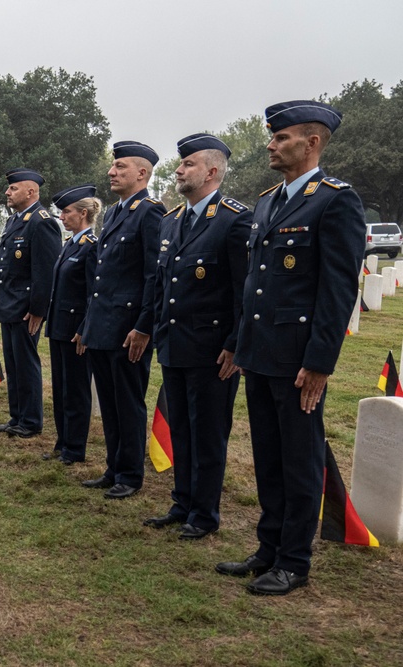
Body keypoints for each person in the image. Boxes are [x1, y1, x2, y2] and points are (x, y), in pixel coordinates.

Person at [217, 101, 365, 595]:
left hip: (299, 359)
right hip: (259, 352)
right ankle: (268, 547)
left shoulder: (335, 200)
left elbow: (338, 290)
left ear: (311, 142)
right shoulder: (267, 201)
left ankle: (294, 561)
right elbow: (254, 286)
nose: (270, 145)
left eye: (281, 138)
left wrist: (320, 362)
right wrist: (239, 343)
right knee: (268, 455)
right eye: (271, 137)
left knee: (300, 460)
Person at [145, 134, 252, 539]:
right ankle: (182, 502)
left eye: (187, 163)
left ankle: (204, 514)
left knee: (207, 432)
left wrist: (234, 344)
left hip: (212, 350)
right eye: (180, 163)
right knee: (182, 428)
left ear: (212, 171)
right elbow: (162, 283)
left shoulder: (235, 218)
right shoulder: (173, 220)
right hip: (174, 343)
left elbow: (245, 289)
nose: (178, 170)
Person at [79, 142, 165, 499]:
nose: (111, 172)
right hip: (103, 325)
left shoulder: (150, 212)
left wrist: (144, 326)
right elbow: (102, 275)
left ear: (142, 174)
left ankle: (130, 474)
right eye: (112, 167)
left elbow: (153, 276)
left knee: (128, 403)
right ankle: (113, 467)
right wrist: (88, 324)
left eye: (120, 167)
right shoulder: (114, 213)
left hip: (129, 328)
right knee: (110, 403)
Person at [0, 168, 61, 438]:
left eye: (13, 188)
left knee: (26, 365)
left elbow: (44, 272)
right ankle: (16, 416)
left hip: (27, 309)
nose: (7, 192)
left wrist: (38, 310)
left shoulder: (41, 222)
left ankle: (30, 420)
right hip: (10, 305)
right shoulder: (17, 221)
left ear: (31, 192)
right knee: (14, 364)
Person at [44, 185, 100, 465]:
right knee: (60, 387)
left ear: (84, 213)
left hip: (75, 329)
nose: (62, 217)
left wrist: (84, 328)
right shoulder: (70, 244)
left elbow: (92, 293)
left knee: (76, 390)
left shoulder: (91, 247)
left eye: (66, 212)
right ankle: (62, 440)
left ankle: (75, 447)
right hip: (58, 326)